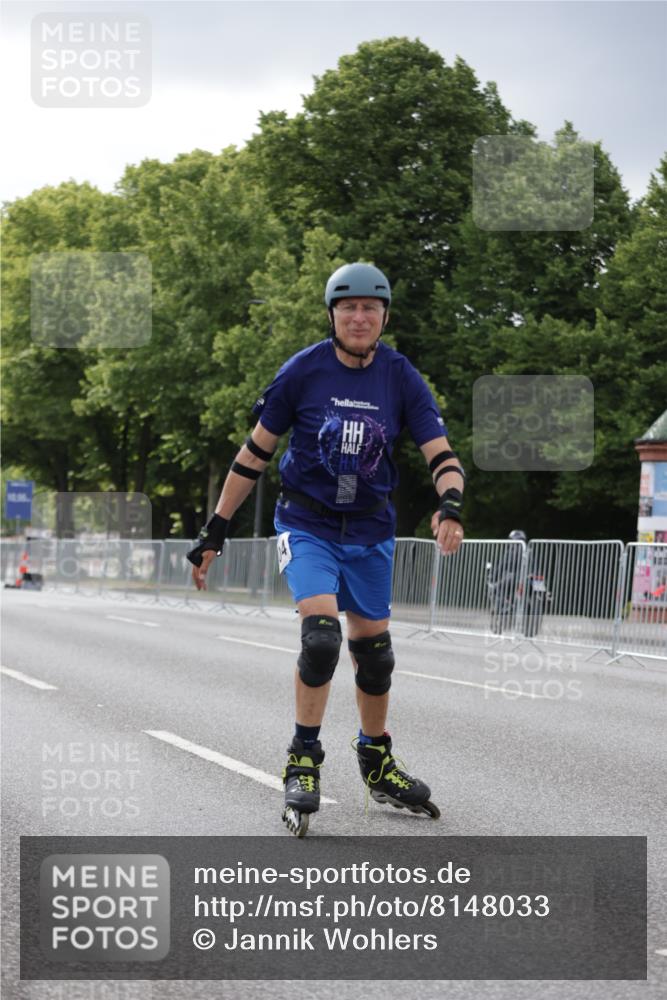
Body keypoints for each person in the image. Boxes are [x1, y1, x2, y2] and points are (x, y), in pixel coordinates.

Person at [187, 262, 465, 836]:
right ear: (333, 315)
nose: (360, 317)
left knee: (376, 653)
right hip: (307, 523)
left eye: (371, 308)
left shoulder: (400, 376)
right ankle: (303, 760)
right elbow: (253, 455)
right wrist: (215, 529)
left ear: (384, 316)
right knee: (321, 640)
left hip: (370, 530)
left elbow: (441, 453)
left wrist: (451, 505)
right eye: (349, 308)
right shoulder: (303, 372)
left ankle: (376, 758)